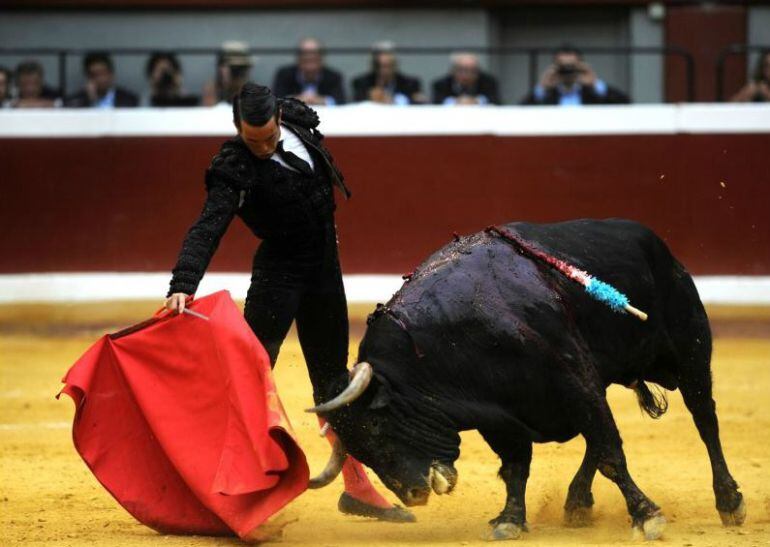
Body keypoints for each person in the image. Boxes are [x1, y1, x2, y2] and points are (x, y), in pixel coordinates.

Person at [164, 83, 414, 522]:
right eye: (251, 139)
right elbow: (208, 227)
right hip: (278, 273)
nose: (261, 148)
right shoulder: (233, 168)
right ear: (237, 129)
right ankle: (227, 488)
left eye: (268, 138)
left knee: (333, 381)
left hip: (323, 269)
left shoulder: (300, 125)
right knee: (250, 374)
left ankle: (357, 487)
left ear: (279, 119)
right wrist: (183, 281)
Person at [522, 45, 629, 106]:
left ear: (581, 67)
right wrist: (542, 88)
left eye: (572, 66)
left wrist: (595, 84)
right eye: (562, 66)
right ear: (554, 68)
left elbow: (625, 103)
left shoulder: (592, 93)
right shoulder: (547, 95)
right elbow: (520, 112)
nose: (568, 70)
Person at [272, 38, 345, 105]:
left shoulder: (333, 76)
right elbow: (276, 100)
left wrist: (320, 100)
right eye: (306, 60)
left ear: (321, 58)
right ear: (298, 58)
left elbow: (340, 102)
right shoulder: (284, 74)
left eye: (313, 59)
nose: (309, 56)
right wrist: (298, 99)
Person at [352, 42, 425, 104]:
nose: (385, 70)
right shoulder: (361, 82)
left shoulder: (410, 83)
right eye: (381, 66)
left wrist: (394, 100)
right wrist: (371, 98)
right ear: (374, 66)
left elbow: (417, 102)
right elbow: (358, 102)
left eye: (389, 66)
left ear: (395, 65)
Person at [65, 51, 138, 108]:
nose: (99, 79)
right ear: (88, 77)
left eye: (103, 73)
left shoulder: (129, 99)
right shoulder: (77, 100)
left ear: (111, 75)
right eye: (94, 75)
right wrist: (91, 102)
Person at [432, 52, 500, 105]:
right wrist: (455, 102)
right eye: (462, 70)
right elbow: (437, 102)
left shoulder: (488, 82)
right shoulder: (441, 84)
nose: (467, 75)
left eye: (472, 71)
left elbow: (495, 100)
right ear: (453, 71)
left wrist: (476, 101)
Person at [202, 41, 254, 106]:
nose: (238, 74)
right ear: (220, 69)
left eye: (243, 68)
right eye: (234, 68)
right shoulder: (212, 90)